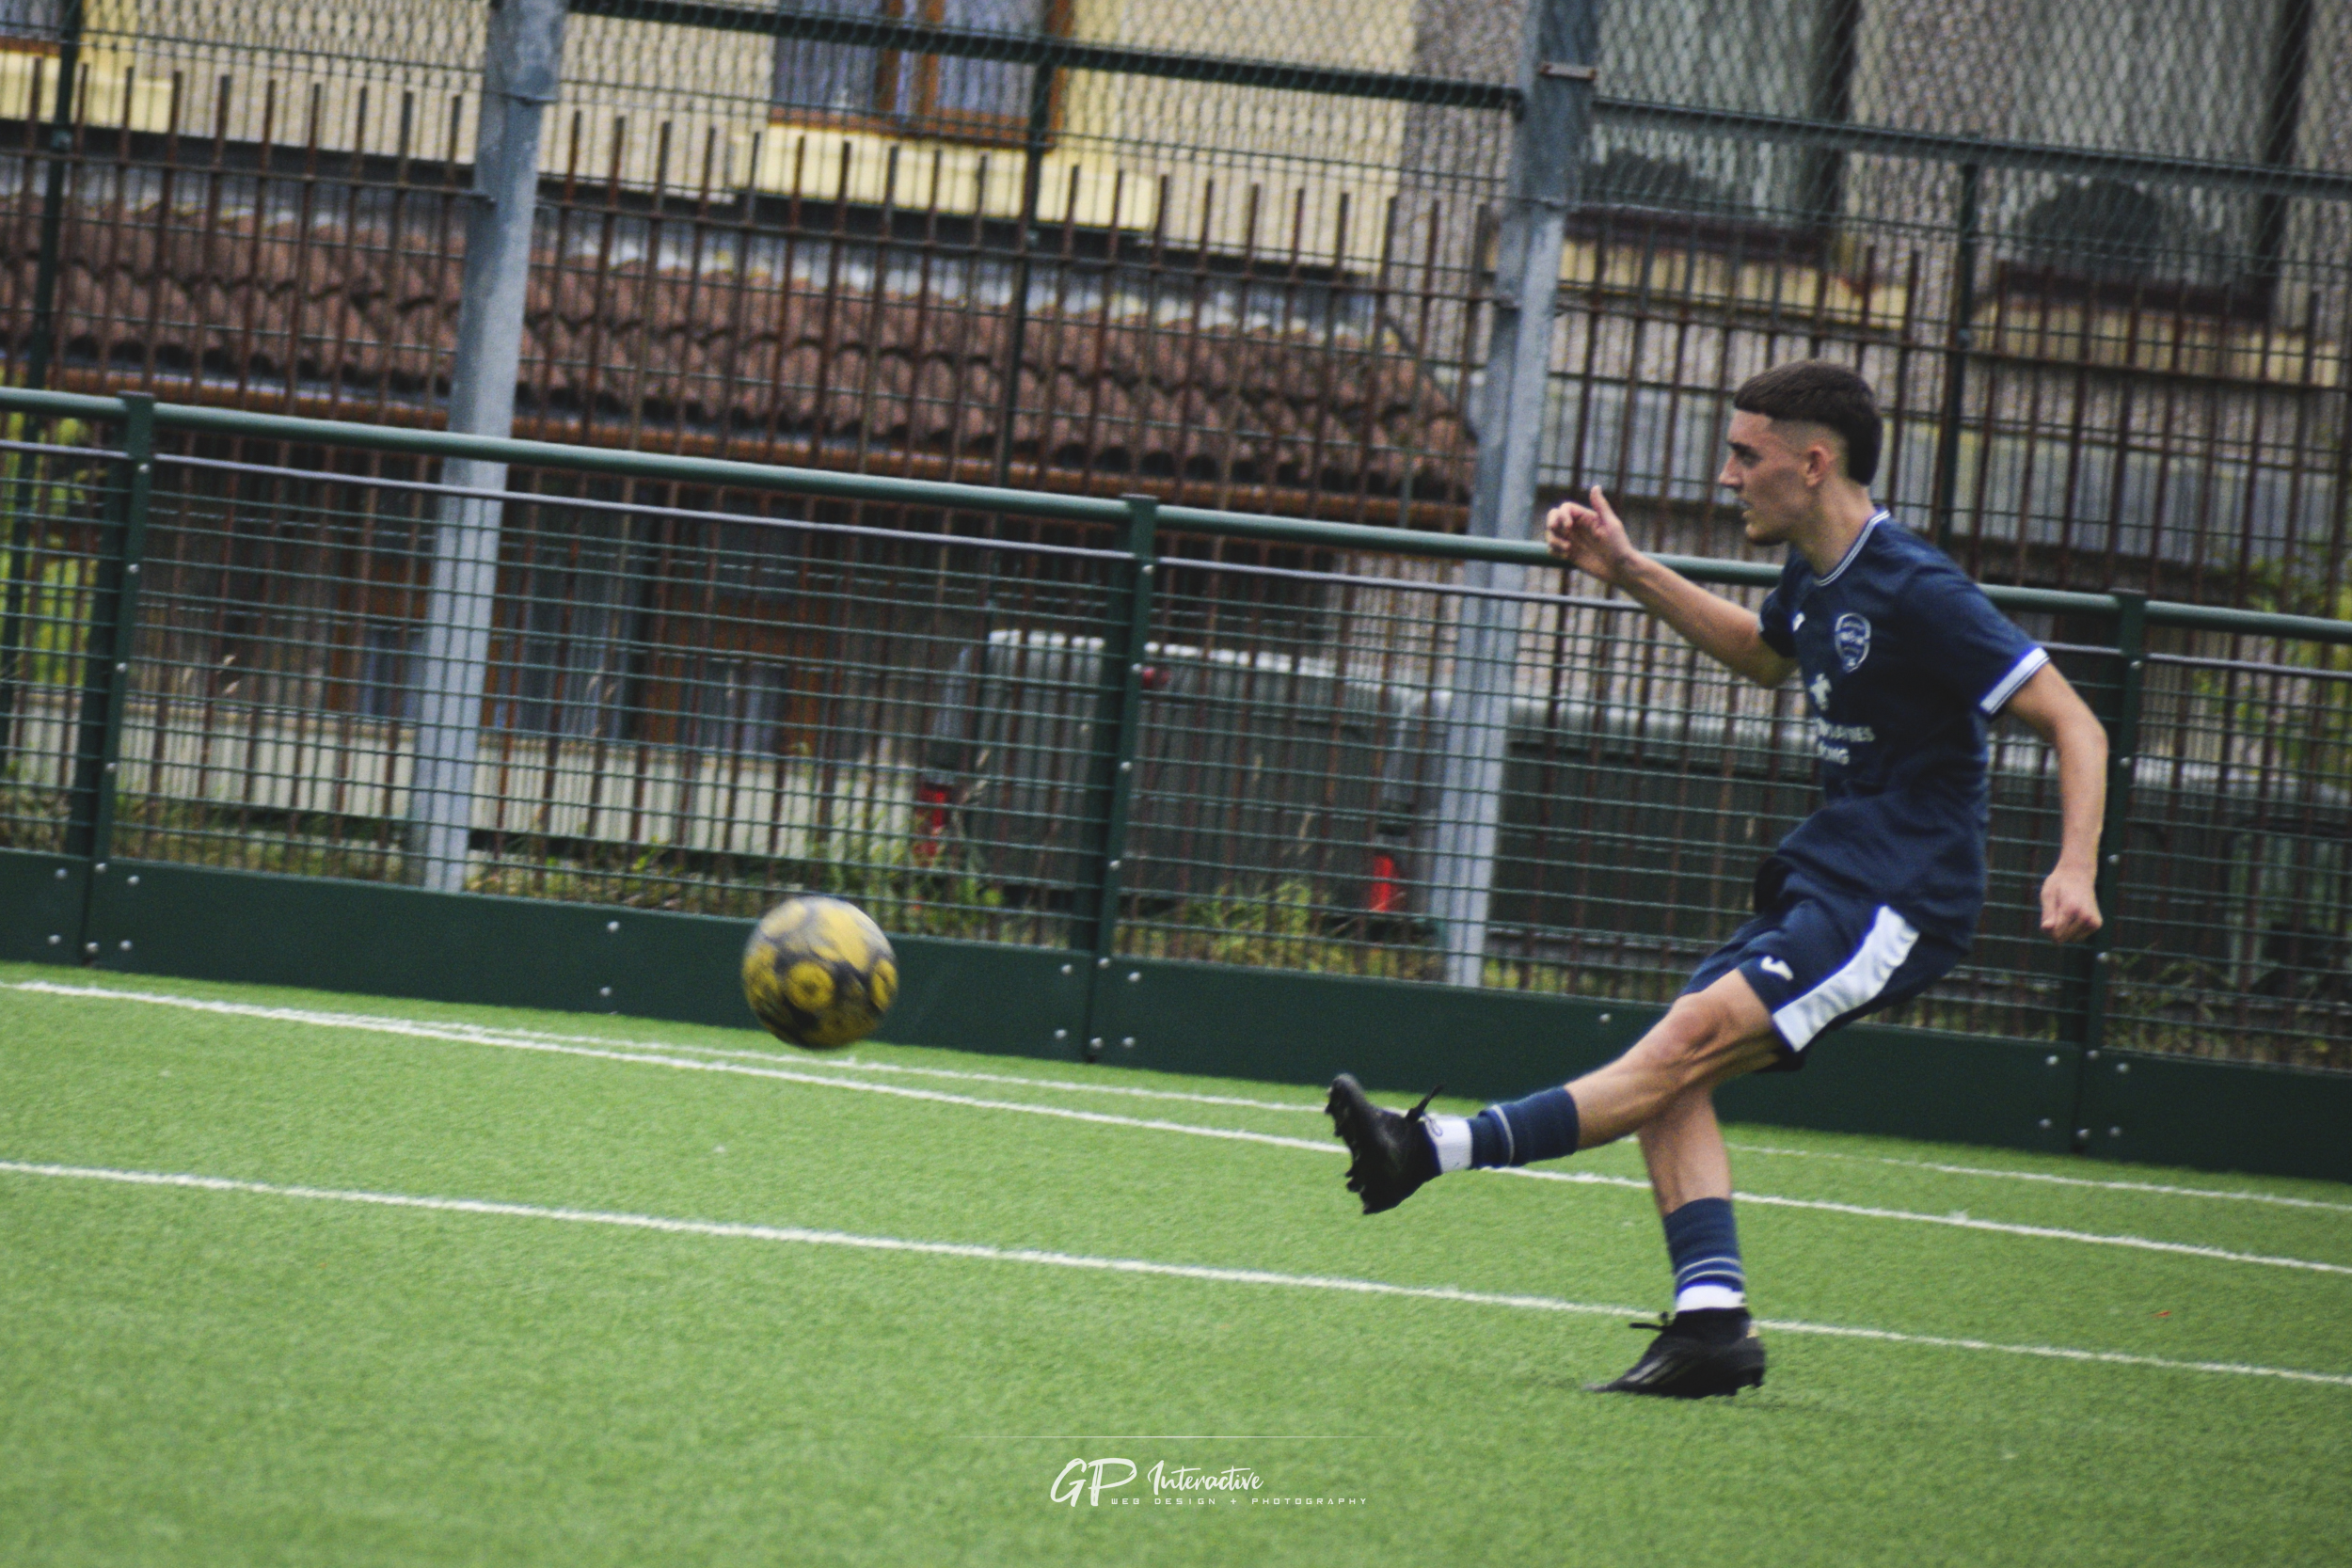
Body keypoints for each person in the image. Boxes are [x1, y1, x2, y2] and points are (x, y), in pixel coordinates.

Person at [1326, 359, 2109, 1397]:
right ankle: (1709, 1325)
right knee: (1677, 1066)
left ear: (1812, 462)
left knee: (1679, 1045)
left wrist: (2072, 865)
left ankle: (1426, 1148)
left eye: (1747, 454)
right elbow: (1762, 652)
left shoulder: (1916, 585)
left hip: (1901, 896)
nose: (1727, 474)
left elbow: (2075, 721)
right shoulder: (1817, 573)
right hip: (1830, 871)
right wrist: (1630, 568)